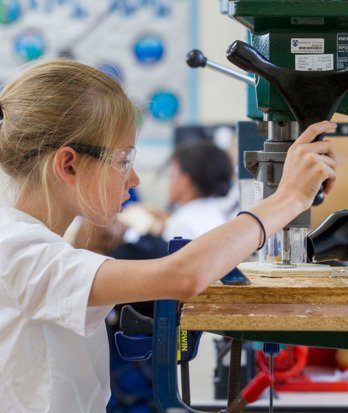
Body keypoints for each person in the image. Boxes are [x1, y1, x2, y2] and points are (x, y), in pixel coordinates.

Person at [0, 58, 337, 413]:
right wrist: (289, 199)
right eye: (123, 160)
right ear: (68, 163)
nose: (134, 181)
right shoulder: (17, 250)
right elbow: (182, 275)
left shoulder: (31, 244)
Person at [163, 140, 238, 241]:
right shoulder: (221, 212)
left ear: (185, 180)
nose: (169, 180)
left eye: (172, 174)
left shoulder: (180, 223)